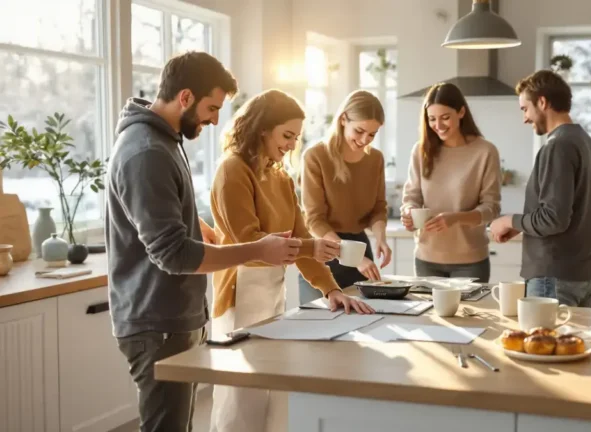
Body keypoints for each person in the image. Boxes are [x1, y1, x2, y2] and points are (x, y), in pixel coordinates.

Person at [106, 52, 302, 432]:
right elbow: (174, 255)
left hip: (172, 315)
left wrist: (191, 222)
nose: (215, 120)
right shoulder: (147, 151)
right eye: (211, 108)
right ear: (184, 97)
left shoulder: (161, 141)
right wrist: (260, 250)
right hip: (156, 319)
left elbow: (146, 206)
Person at [208, 89, 375, 432]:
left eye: (296, 138)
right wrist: (309, 248)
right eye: (286, 135)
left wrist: (330, 289)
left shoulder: (280, 176)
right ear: (262, 129)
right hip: (239, 293)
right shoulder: (233, 170)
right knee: (239, 399)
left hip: (272, 293)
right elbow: (247, 241)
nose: (291, 145)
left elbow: (302, 239)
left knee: (272, 393)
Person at [490, 70, 591, 307]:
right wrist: (524, 227)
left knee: (539, 343)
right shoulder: (586, 143)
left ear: (542, 102)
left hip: (553, 279)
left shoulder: (557, 146)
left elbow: (554, 219)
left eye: (525, 109)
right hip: (583, 276)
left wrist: (509, 220)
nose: (525, 118)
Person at [400, 82, 501, 282]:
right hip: (426, 258)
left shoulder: (485, 151)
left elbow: (491, 208)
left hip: (470, 261)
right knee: (429, 314)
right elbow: (411, 197)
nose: (438, 126)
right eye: (432, 119)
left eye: (445, 118)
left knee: (472, 314)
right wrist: (408, 212)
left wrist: (456, 218)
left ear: (461, 112)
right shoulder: (421, 151)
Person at [298, 90, 390, 303]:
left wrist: (381, 239)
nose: (364, 140)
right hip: (324, 250)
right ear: (342, 119)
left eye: (372, 134)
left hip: (360, 249)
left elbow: (378, 208)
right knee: (317, 329)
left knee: (363, 326)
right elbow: (314, 220)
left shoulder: (375, 159)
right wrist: (353, 257)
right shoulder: (316, 157)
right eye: (359, 131)